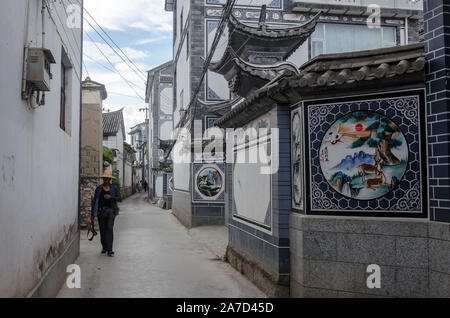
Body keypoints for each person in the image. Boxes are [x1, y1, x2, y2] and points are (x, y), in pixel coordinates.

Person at [91, 170, 122, 257]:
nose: (106, 180)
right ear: (103, 179)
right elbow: (94, 202)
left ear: (110, 179)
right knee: (102, 230)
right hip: (101, 212)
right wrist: (92, 214)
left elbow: (119, 198)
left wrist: (111, 197)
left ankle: (110, 250)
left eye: (108, 178)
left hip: (111, 211)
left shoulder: (114, 188)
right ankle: (104, 247)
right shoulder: (99, 188)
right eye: (105, 178)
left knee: (109, 228)